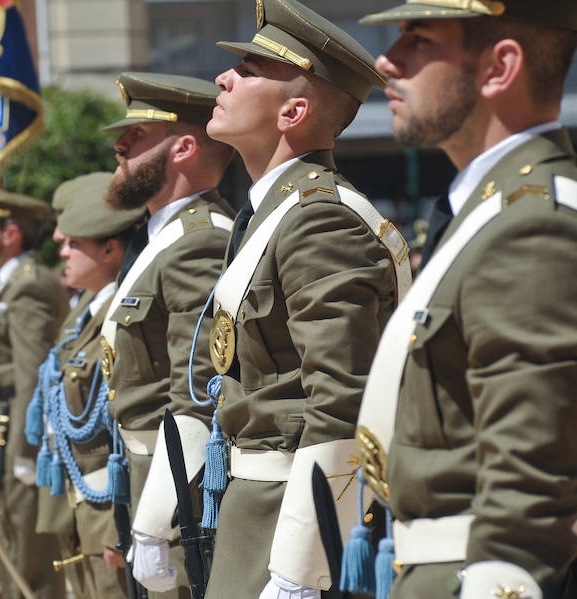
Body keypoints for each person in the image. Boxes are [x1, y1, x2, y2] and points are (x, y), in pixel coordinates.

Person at [353, 2, 577, 598]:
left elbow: (530, 480)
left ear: (500, 67)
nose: (385, 62)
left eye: (418, 41)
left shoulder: (532, 226)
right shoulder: (487, 209)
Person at [201, 1, 411, 597]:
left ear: (294, 111)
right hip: (252, 507)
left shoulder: (319, 221)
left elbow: (343, 398)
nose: (223, 79)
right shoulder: (270, 212)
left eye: (248, 69)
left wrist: (301, 565)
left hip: (290, 520)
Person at [99, 71, 236, 597]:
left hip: (177, 486)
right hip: (140, 471)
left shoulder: (200, 242)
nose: (120, 145)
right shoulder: (160, 238)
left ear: (183, 147)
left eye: (137, 135)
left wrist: (157, 520)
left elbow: (197, 396)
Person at [29, 172, 144, 599]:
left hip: (106, 499)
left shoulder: (118, 312)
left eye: (73, 242)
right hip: (81, 495)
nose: (60, 247)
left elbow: (129, 422)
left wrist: (123, 518)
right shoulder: (82, 313)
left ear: (110, 249)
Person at [0, 184, 70, 599]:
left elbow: (32, 374)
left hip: (14, 435)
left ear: (11, 233)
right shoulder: (8, 283)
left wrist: (26, 452)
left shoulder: (29, 284)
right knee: (9, 543)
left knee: (27, 556)